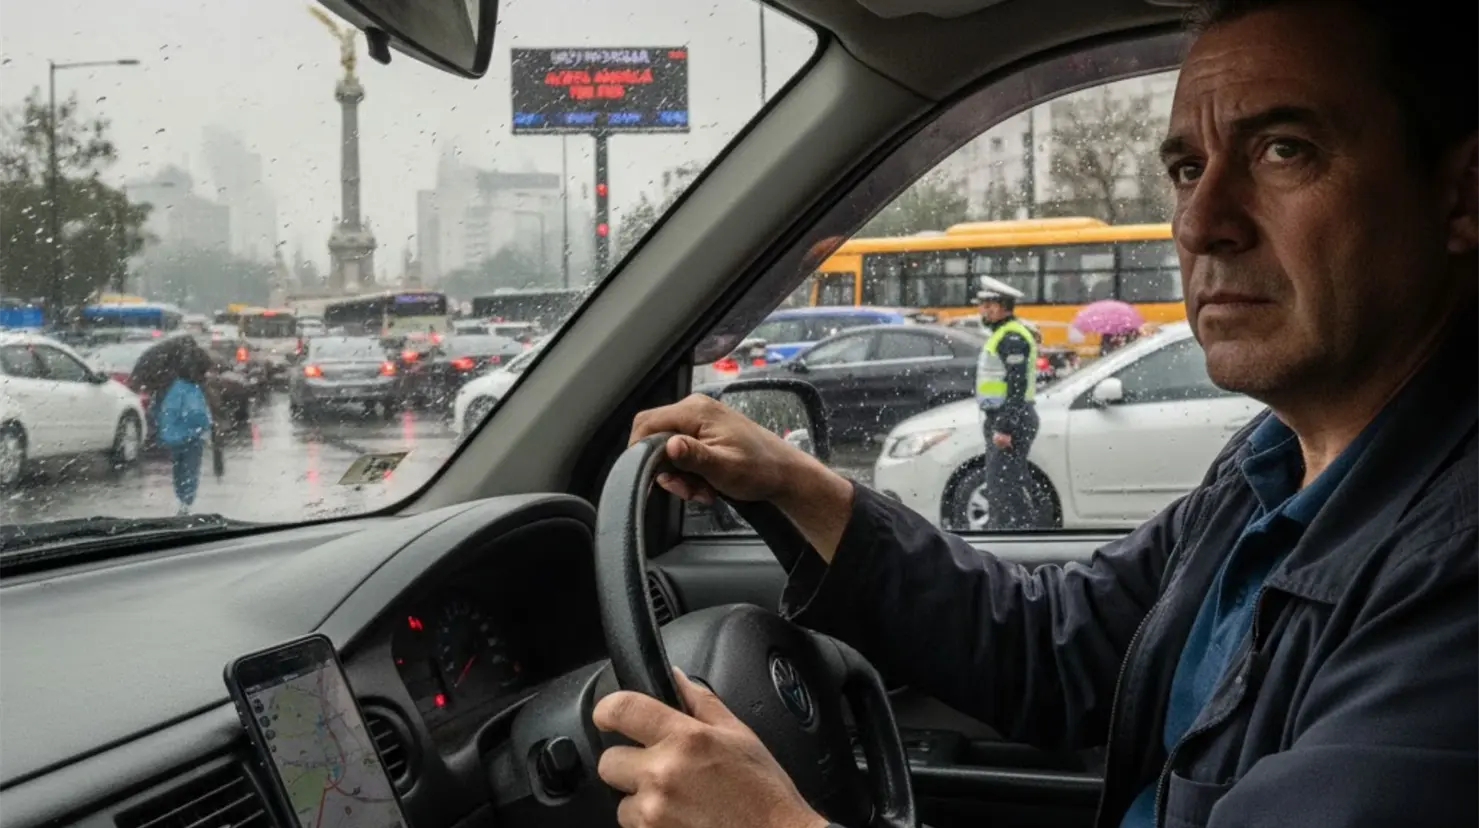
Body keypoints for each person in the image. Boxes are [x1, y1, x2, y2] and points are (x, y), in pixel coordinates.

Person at [595, 1, 1479, 826]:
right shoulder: (1271, 470)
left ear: (1460, 197)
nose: (1200, 221)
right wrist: (794, 483)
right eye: (1184, 169)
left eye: (1283, 150)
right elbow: (1056, 652)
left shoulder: (1453, 562)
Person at [972, 277, 1042, 529]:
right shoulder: (1003, 334)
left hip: (1012, 418)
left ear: (1004, 307)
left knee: (1005, 486)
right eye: (983, 305)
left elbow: (1016, 386)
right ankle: (1013, 530)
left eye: (990, 305)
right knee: (1003, 483)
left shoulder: (1011, 337)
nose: (984, 310)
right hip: (1004, 417)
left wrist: (1004, 427)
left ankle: (1013, 535)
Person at [154, 348, 214, 515]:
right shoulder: (191, 390)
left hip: (173, 437)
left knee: (178, 471)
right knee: (190, 470)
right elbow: (196, 413)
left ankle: (181, 499)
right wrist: (207, 424)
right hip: (190, 437)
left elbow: (165, 412)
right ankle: (186, 504)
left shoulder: (175, 388)